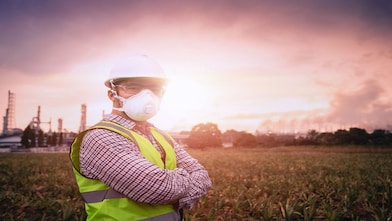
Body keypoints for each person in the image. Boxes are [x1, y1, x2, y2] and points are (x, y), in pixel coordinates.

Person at [70, 54, 212, 221]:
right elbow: (157, 189)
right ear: (112, 94)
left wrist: (175, 184)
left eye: (155, 89)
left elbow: (202, 175)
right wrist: (183, 181)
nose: (147, 95)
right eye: (133, 87)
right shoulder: (100, 137)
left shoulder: (161, 136)